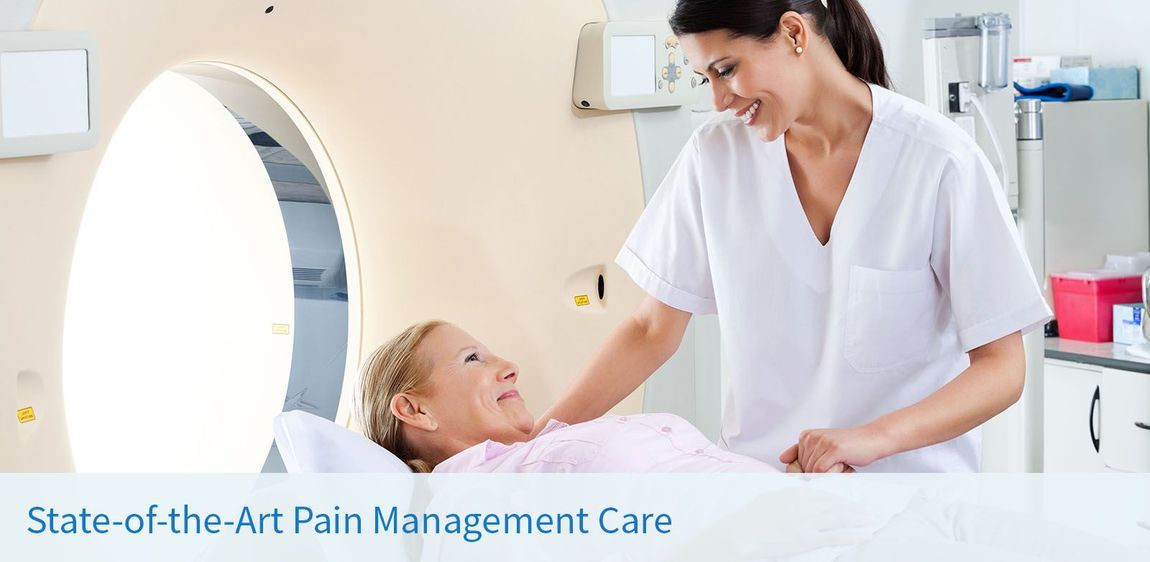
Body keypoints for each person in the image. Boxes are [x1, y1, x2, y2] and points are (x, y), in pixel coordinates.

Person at [539, 0, 1050, 472]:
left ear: (793, 33)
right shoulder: (715, 157)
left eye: (726, 70)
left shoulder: (939, 161)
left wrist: (870, 439)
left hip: (906, 496)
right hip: (765, 493)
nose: (719, 101)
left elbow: (1002, 370)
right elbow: (652, 331)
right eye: (705, 81)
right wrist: (535, 445)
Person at [356, 321, 778, 473]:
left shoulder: (529, 462)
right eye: (472, 359)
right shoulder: (478, 511)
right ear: (415, 409)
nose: (508, 366)